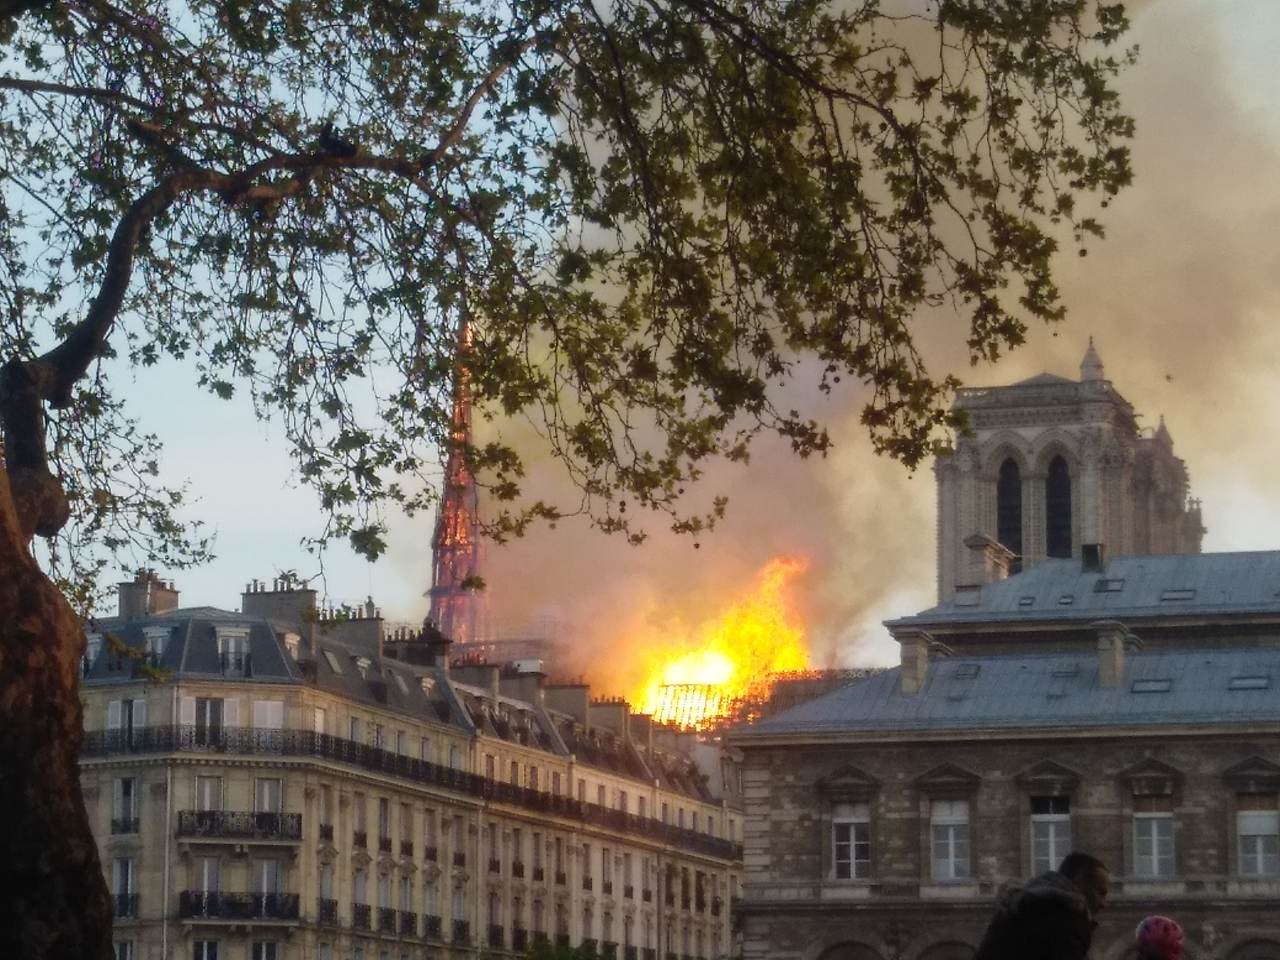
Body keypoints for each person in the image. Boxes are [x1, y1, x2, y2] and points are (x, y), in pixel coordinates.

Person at [972, 852, 1111, 960]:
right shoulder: (1067, 918)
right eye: (1100, 892)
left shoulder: (1021, 906)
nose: (1104, 904)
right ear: (1079, 882)